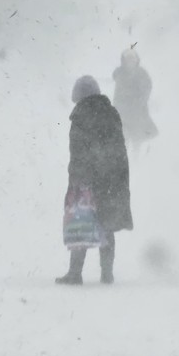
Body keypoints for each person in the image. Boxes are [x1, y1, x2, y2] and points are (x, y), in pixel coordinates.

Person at [56, 75, 133, 285]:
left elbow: (79, 153)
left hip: (87, 179)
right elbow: (119, 148)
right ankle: (107, 274)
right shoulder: (111, 113)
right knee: (107, 223)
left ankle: (75, 273)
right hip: (113, 178)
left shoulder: (81, 115)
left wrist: (77, 181)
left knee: (80, 222)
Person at [112, 48, 158, 154]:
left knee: (136, 139)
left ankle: (136, 162)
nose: (130, 61)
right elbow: (115, 79)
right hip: (121, 112)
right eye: (128, 59)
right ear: (124, 60)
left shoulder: (141, 73)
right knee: (123, 138)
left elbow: (147, 88)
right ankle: (125, 161)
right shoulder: (120, 73)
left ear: (137, 60)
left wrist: (139, 102)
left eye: (132, 59)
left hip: (137, 112)